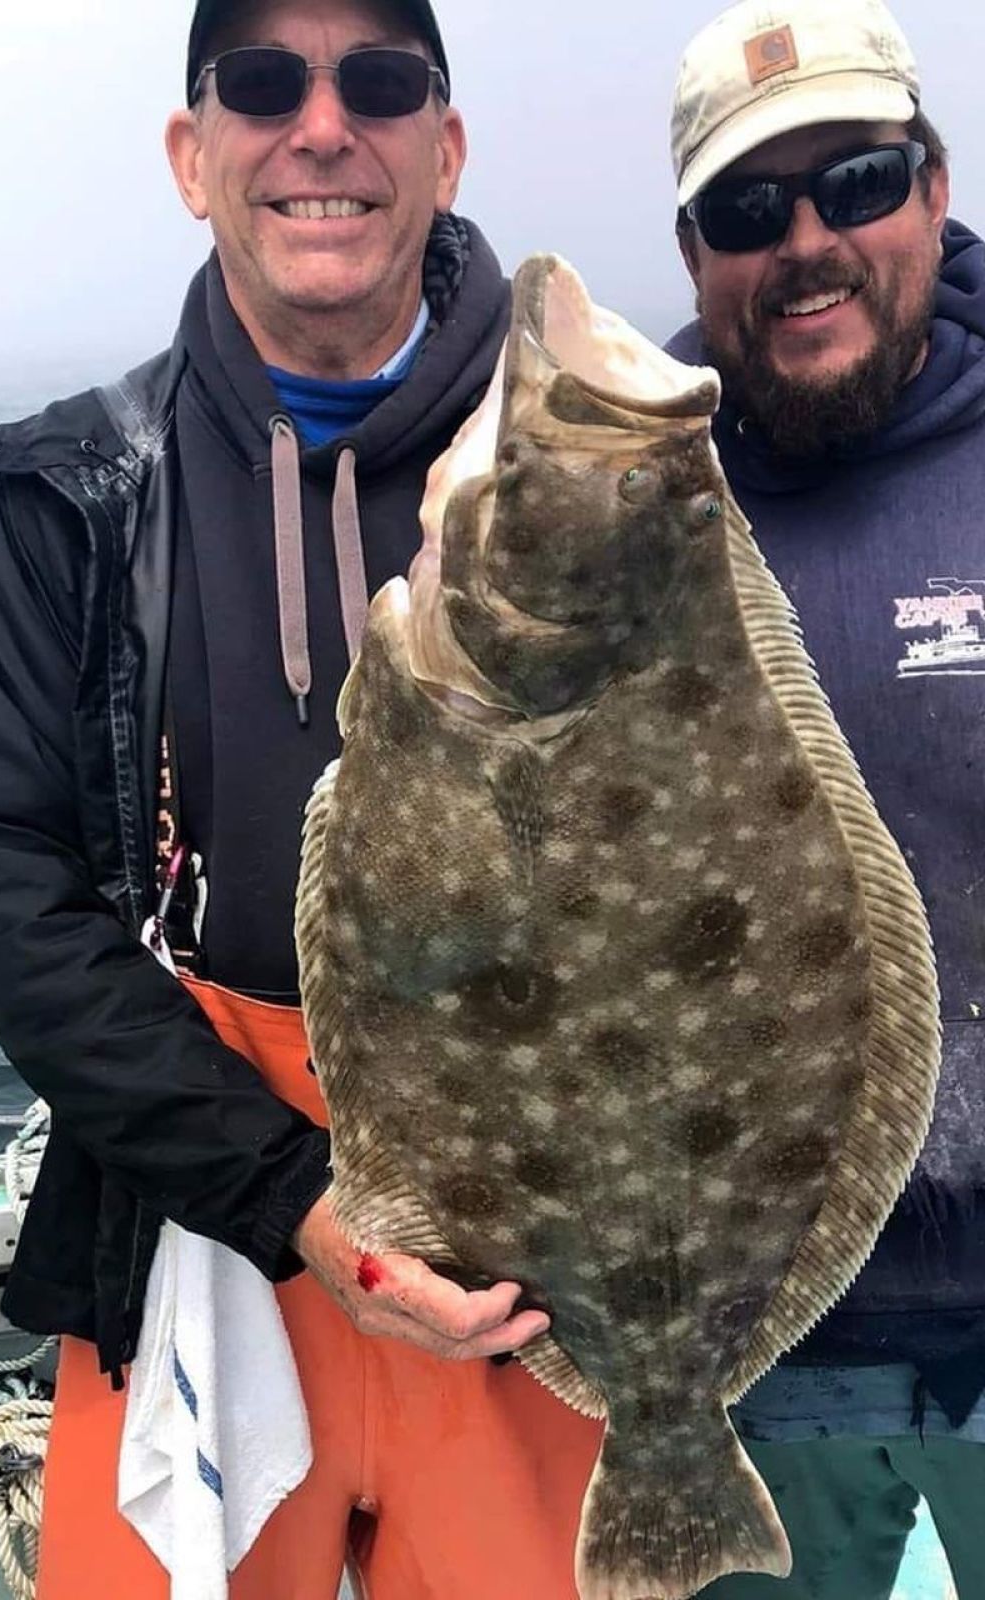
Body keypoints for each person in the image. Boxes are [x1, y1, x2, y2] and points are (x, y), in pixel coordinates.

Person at [0, 2, 603, 1597]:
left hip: (529, 1228)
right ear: (191, 155)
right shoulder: (75, 499)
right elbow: (6, 886)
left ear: (444, 152)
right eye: (259, 84)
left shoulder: (586, 468)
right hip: (198, 1199)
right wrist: (295, 1203)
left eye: (377, 83)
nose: (320, 128)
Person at [668, 1, 985, 1594]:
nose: (806, 242)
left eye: (856, 179)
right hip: (746, 1347)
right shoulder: (623, 503)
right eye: (746, 211)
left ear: (934, 184)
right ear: (696, 251)